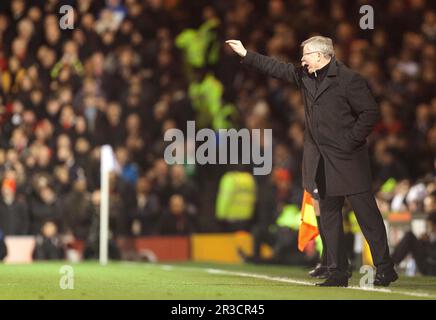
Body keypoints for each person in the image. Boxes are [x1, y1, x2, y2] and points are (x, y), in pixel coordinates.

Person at [226, 36, 397, 287]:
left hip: (349, 159)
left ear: (320, 55)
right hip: (321, 161)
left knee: (366, 214)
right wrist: (245, 54)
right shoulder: (306, 76)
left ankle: (385, 267)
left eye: (306, 54)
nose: (302, 59)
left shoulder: (349, 79)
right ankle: (338, 271)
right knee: (328, 215)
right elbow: (277, 68)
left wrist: (350, 140)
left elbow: (370, 112)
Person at [391, 211, 436, 276]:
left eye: (429, 225)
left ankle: (390, 264)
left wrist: (425, 242)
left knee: (410, 236)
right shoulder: (432, 235)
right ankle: (391, 263)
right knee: (409, 236)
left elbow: (432, 254)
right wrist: (422, 241)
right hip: (427, 263)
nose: (428, 227)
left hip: (432, 268)